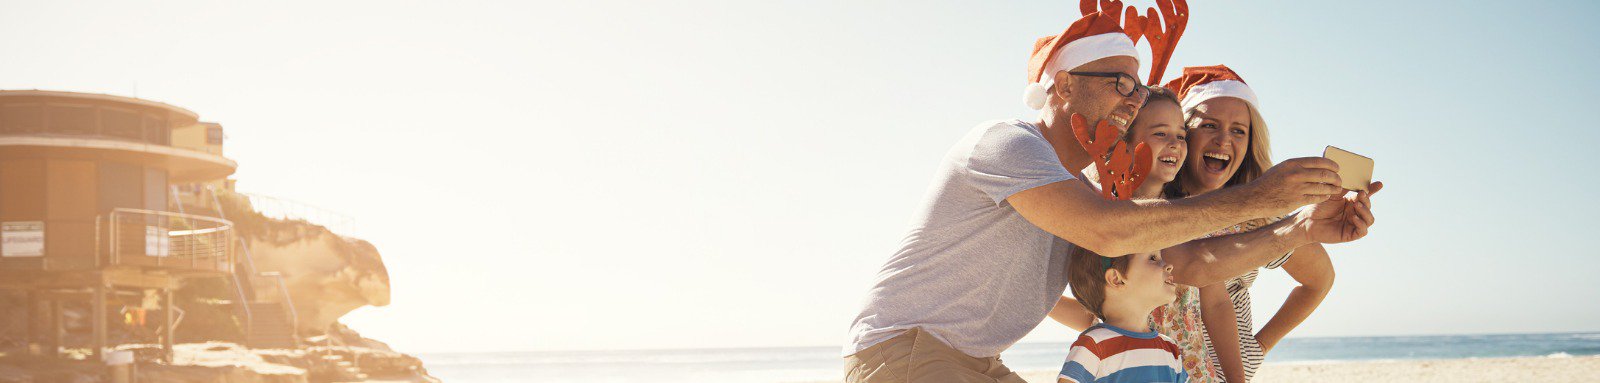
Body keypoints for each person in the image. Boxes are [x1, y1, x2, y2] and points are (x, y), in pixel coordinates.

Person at [843, 7, 1378, 383]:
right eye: (1119, 82)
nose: (1133, 96)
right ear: (1063, 85)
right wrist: (1264, 199)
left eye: (1139, 86)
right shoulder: (1009, 145)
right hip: (908, 347)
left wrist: (1301, 227)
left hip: (976, 358)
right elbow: (1108, 230)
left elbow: (1188, 262)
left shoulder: (1086, 192)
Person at [1162, 65, 1343, 383]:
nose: (1223, 139)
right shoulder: (1151, 206)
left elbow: (1318, 281)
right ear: (1183, 133)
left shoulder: (1259, 215)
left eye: (1238, 131)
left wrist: (1258, 348)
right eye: (1209, 125)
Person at [1048, 86, 1226, 382]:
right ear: (1124, 143)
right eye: (1160, 133)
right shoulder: (1098, 215)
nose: (1174, 143)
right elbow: (1091, 306)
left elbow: (1217, 303)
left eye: (1181, 135)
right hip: (1118, 361)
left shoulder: (1191, 217)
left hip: (1189, 369)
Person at [1058, 247, 1185, 383]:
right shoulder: (1093, 346)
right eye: (1153, 258)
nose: (1169, 265)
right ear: (1116, 279)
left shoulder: (1170, 348)